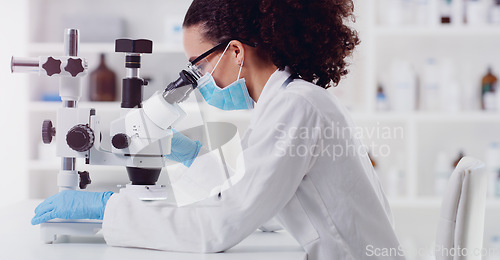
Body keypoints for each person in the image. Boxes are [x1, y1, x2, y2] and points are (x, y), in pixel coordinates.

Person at [32, 0, 405, 259]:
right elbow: (249, 190)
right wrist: (190, 156)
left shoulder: (297, 107)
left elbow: (218, 227)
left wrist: (107, 208)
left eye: (198, 64)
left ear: (236, 53)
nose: (198, 79)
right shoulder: (290, 99)